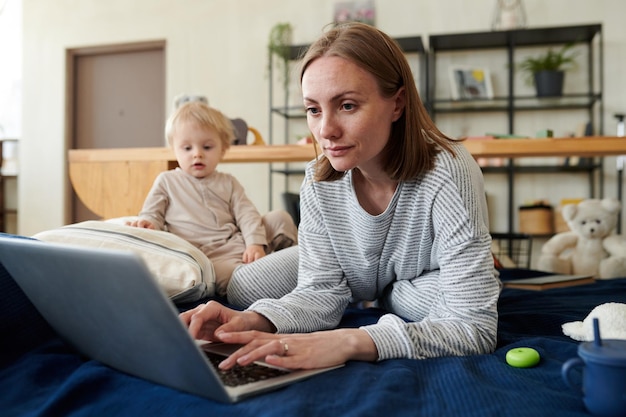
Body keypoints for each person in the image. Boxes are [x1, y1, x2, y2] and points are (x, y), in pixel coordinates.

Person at [180, 22, 499, 370]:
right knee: (245, 287)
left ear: (397, 104)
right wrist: (253, 321)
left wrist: (351, 341)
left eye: (347, 105)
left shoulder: (449, 171)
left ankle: (391, 292)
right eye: (313, 110)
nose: (326, 131)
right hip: (356, 273)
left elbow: (475, 327)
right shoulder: (318, 180)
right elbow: (321, 292)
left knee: (426, 301)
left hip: (423, 273)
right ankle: (384, 292)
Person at [128, 101, 297, 296]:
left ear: (223, 150)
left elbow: (247, 214)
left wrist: (254, 243)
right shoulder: (167, 181)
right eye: (187, 148)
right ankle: (264, 279)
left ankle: (291, 264)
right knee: (232, 278)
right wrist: (148, 223)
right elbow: (152, 214)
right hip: (209, 258)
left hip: (240, 242)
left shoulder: (229, 182)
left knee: (280, 218)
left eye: (207, 147)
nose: (197, 154)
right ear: (174, 149)